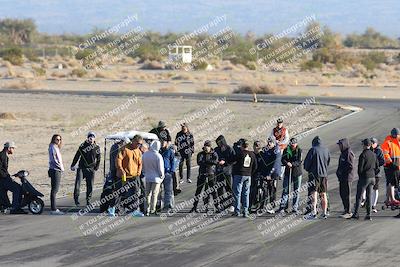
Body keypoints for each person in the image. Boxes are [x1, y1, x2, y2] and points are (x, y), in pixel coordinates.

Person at [116, 134, 144, 216]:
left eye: (140, 144)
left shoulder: (138, 151)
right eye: (138, 143)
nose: (139, 145)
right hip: (124, 176)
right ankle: (118, 209)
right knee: (122, 192)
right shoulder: (124, 149)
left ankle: (134, 210)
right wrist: (121, 170)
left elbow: (140, 163)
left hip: (135, 176)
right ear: (133, 141)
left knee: (135, 193)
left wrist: (138, 172)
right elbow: (118, 160)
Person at [304, 136, 330, 220]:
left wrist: (308, 169)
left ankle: (314, 212)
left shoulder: (313, 150)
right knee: (323, 193)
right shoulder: (326, 150)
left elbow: (307, 163)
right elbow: (328, 161)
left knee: (314, 193)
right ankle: (325, 212)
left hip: (314, 175)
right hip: (324, 175)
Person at [71, 132, 101, 207]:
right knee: (78, 185)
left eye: (92, 137)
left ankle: (88, 201)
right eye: (89, 137)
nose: (91, 138)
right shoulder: (83, 146)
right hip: (81, 168)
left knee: (90, 185)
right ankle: (76, 199)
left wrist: (96, 167)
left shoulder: (97, 147)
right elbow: (77, 156)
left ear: (95, 138)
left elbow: (99, 158)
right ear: (87, 138)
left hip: (91, 169)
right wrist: (73, 165)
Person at [352, 139, 379, 221]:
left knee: (359, 196)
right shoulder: (374, 154)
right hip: (372, 177)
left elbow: (360, 169)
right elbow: (377, 167)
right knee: (369, 196)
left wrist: (361, 176)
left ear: (364, 145)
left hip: (364, 177)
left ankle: (356, 213)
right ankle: (369, 214)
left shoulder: (363, 155)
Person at [190, 140, 220, 213]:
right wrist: (209, 162)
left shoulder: (214, 153)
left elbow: (215, 162)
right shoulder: (200, 154)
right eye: (205, 146)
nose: (206, 148)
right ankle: (194, 207)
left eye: (208, 146)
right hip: (202, 174)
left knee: (213, 191)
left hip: (211, 174)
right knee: (198, 191)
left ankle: (217, 207)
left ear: (210, 147)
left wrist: (206, 161)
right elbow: (199, 162)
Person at [232, 139, 257, 218]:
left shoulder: (240, 154)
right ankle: (245, 211)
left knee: (237, 193)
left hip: (239, 174)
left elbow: (231, 160)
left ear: (242, 146)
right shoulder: (252, 154)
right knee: (246, 193)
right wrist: (250, 172)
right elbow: (255, 166)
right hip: (248, 175)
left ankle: (237, 210)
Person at [0, 141, 26, 214]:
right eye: (13, 148)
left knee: (18, 188)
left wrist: (10, 176)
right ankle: (15, 208)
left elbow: (3, 169)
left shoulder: (4, 155)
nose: (13, 150)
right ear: (9, 148)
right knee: (17, 188)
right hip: (3, 179)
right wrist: (7, 177)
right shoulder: (1, 155)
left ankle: (16, 207)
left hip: (4, 178)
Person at [278, 137, 303, 215]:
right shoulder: (286, 149)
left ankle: (295, 207)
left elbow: (299, 161)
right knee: (286, 190)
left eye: (294, 144)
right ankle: (283, 207)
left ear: (296, 144)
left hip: (297, 173)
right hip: (288, 172)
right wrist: (287, 163)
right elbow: (283, 159)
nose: (292, 146)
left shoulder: (299, 150)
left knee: (296, 190)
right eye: (291, 144)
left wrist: (292, 164)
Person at [257, 136, 281, 214]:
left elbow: (275, 164)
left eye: (270, 142)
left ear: (274, 143)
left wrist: (270, 174)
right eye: (268, 142)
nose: (269, 144)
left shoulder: (276, 150)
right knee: (265, 190)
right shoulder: (266, 149)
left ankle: (272, 207)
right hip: (267, 173)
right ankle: (262, 206)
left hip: (274, 173)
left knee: (272, 190)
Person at [142, 140, 164, 216]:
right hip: (156, 178)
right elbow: (160, 168)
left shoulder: (145, 154)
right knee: (154, 194)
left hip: (148, 177)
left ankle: (146, 209)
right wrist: (162, 176)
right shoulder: (158, 156)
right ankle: (152, 209)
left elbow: (143, 167)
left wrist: (145, 173)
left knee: (147, 194)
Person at [214, 135, 236, 211]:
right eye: (217, 143)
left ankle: (231, 204)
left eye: (219, 143)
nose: (218, 144)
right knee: (220, 189)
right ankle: (223, 204)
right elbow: (213, 158)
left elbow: (234, 160)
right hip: (219, 171)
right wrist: (217, 162)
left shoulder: (229, 149)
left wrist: (225, 162)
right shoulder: (216, 149)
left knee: (229, 188)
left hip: (228, 171)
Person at [381, 128, 400, 211]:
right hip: (391, 165)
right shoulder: (388, 141)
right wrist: (390, 161)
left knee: (392, 183)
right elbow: (385, 153)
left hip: (396, 165)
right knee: (391, 183)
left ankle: (389, 200)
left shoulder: (396, 141)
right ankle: (392, 199)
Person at [336, 138, 355, 219]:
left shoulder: (348, 153)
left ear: (344, 144)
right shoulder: (343, 153)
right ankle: (345, 209)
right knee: (342, 193)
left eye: (340, 145)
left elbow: (351, 166)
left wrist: (343, 172)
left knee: (347, 194)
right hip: (342, 178)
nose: (339, 146)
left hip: (347, 178)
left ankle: (349, 212)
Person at [48, 134, 65, 215]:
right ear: (53, 139)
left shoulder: (56, 147)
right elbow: (54, 160)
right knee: (54, 189)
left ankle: (53, 208)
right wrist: (61, 168)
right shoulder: (53, 147)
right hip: (55, 170)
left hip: (56, 169)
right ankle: (53, 209)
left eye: (60, 139)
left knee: (55, 189)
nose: (59, 141)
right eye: (57, 139)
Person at [369, 137, 385, 213]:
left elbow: (382, 161)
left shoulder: (379, 151)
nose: (371, 144)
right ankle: (367, 203)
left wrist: (375, 165)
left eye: (372, 143)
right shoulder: (369, 150)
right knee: (369, 188)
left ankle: (373, 205)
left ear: (376, 143)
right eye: (370, 143)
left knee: (375, 189)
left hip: (377, 173)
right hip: (370, 173)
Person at [161, 140, 176, 211]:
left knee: (168, 190)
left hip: (167, 173)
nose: (162, 143)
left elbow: (173, 161)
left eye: (163, 142)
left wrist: (171, 171)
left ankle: (168, 205)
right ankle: (159, 205)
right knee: (159, 190)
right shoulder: (158, 151)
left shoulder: (170, 151)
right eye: (161, 142)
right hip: (159, 173)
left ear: (166, 143)